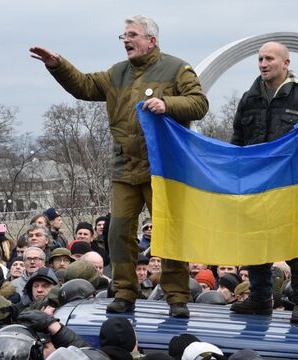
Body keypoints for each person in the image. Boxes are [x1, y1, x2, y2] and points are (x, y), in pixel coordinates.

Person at [31, 15, 208, 317]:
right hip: (125, 169)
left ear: (151, 40)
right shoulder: (117, 74)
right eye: (123, 36)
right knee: (118, 232)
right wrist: (57, 65)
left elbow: (199, 103)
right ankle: (125, 291)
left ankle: (177, 296)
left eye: (132, 35)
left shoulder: (176, 68)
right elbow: (84, 86)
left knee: (169, 232)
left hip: (163, 169)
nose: (126, 40)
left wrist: (168, 104)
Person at [229, 41, 298, 324]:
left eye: (269, 59)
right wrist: (235, 177)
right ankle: (260, 299)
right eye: (260, 59)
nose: (263, 64)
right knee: (256, 243)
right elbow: (237, 142)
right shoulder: (249, 98)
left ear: (286, 63)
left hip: (292, 185)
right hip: (257, 186)